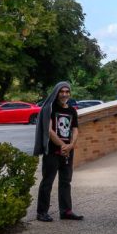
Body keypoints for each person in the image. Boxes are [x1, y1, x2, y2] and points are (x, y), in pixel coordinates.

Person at [33, 82, 83, 222]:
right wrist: (63, 145)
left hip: (67, 152)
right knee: (47, 181)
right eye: (62, 91)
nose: (65, 94)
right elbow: (48, 130)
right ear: (56, 92)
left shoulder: (72, 110)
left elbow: (75, 129)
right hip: (52, 151)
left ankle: (66, 211)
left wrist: (71, 145)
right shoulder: (50, 108)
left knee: (66, 182)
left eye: (67, 91)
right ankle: (42, 212)